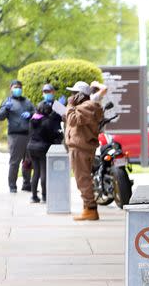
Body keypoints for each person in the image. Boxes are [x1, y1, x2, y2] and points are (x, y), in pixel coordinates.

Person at [64, 81, 104, 221]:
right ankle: (87, 208)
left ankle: (90, 209)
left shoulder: (87, 106)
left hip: (81, 148)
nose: (71, 96)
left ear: (80, 96)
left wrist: (69, 105)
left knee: (83, 179)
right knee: (83, 178)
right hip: (81, 147)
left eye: (74, 94)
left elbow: (73, 120)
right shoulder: (85, 106)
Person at [0, 80, 35, 193]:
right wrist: (6, 108)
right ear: (11, 88)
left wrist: (31, 114)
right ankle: (12, 185)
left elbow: (35, 112)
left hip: (28, 135)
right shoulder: (8, 101)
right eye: (15, 87)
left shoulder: (27, 101)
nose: (18, 89)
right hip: (15, 136)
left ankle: (26, 184)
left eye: (19, 87)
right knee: (15, 162)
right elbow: (0, 117)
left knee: (28, 161)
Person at [26, 101, 60, 203]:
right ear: (47, 111)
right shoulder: (47, 121)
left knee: (36, 172)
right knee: (44, 171)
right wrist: (58, 135)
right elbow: (51, 136)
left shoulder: (32, 120)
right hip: (42, 148)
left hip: (31, 147)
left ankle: (34, 196)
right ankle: (45, 196)